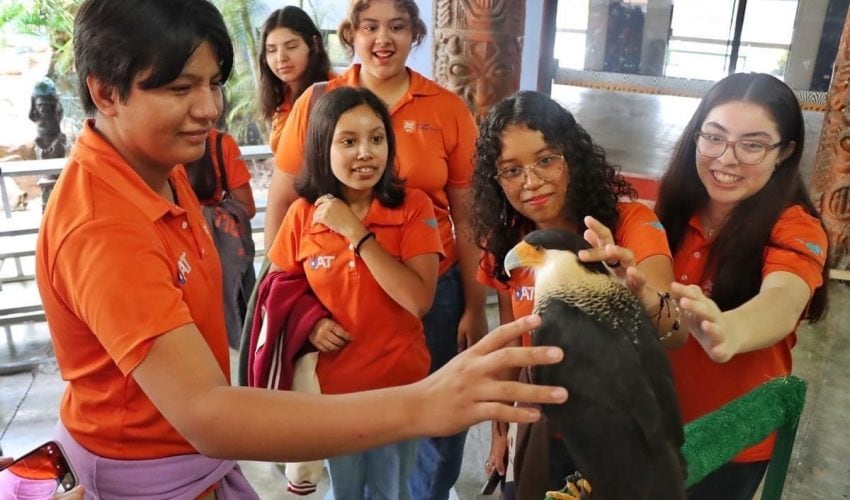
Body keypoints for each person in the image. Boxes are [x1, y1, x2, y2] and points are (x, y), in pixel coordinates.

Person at [35, 1, 567, 497]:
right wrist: (423, 404)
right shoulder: (102, 228)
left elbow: (434, 266)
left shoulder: (160, 172)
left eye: (215, 83)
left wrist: (467, 311)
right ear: (106, 92)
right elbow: (209, 415)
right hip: (148, 474)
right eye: (180, 88)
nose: (208, 108)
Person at [267, 1, 490, 497]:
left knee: (438, 419)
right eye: (370, 26)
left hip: (432, 284)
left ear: (416, 34)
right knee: (353, 427)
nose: (382, 39)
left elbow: (469, 216)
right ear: (352, 32)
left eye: (397, 26)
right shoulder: (317, 101)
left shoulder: (446, 108)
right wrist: (303, 313)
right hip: (338, 291)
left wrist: (476, 305)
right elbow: (284, 208)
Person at [471, 90, 683, 499]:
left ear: (572, 156)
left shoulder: (629, 224)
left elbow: (677, 333)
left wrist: (633, 294)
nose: (531, 182)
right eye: (511, 170)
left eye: (546, 160)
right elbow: (514, 345)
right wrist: (501, 432)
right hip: (540, 428)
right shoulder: (509, 240)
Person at [655, 72, 829, 500]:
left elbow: (783, 298)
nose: (726, 159)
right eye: (713, 137)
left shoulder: (793, 226)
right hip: (655, 427)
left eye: (752, 144)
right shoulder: (673, 211)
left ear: (784, 153)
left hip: (729, 444)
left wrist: (729, 330)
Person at [268, 85, 442, 499]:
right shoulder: (302, 215)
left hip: (399, 388)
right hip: (332, 394)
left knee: (391, 491)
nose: (366, 153)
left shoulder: (414, 207)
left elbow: (417, 300)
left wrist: (356, 233)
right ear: (322, 148)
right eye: (348, 141)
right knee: (344, 490)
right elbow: (278, 292)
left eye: (376, 138)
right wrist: (309, 324)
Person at [258, 6, 333, 154]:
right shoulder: (280, 96)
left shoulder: (335, 91)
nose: (281, 58)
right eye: (272, 50)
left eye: (291, 46)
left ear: (315, 44)